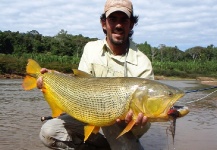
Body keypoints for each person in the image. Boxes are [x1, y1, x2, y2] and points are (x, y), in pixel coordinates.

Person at [37, 0, 154, 149]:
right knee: (49, 131)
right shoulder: (90, 49)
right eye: (113, 19)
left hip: (121, 127)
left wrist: (137, 123)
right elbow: (79, 86)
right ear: (104, 23)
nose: (118, 25)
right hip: (89, 114)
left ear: (131, 24)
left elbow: (144, 125)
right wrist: (54, 80)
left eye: (124, 20)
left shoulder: (143, 63)